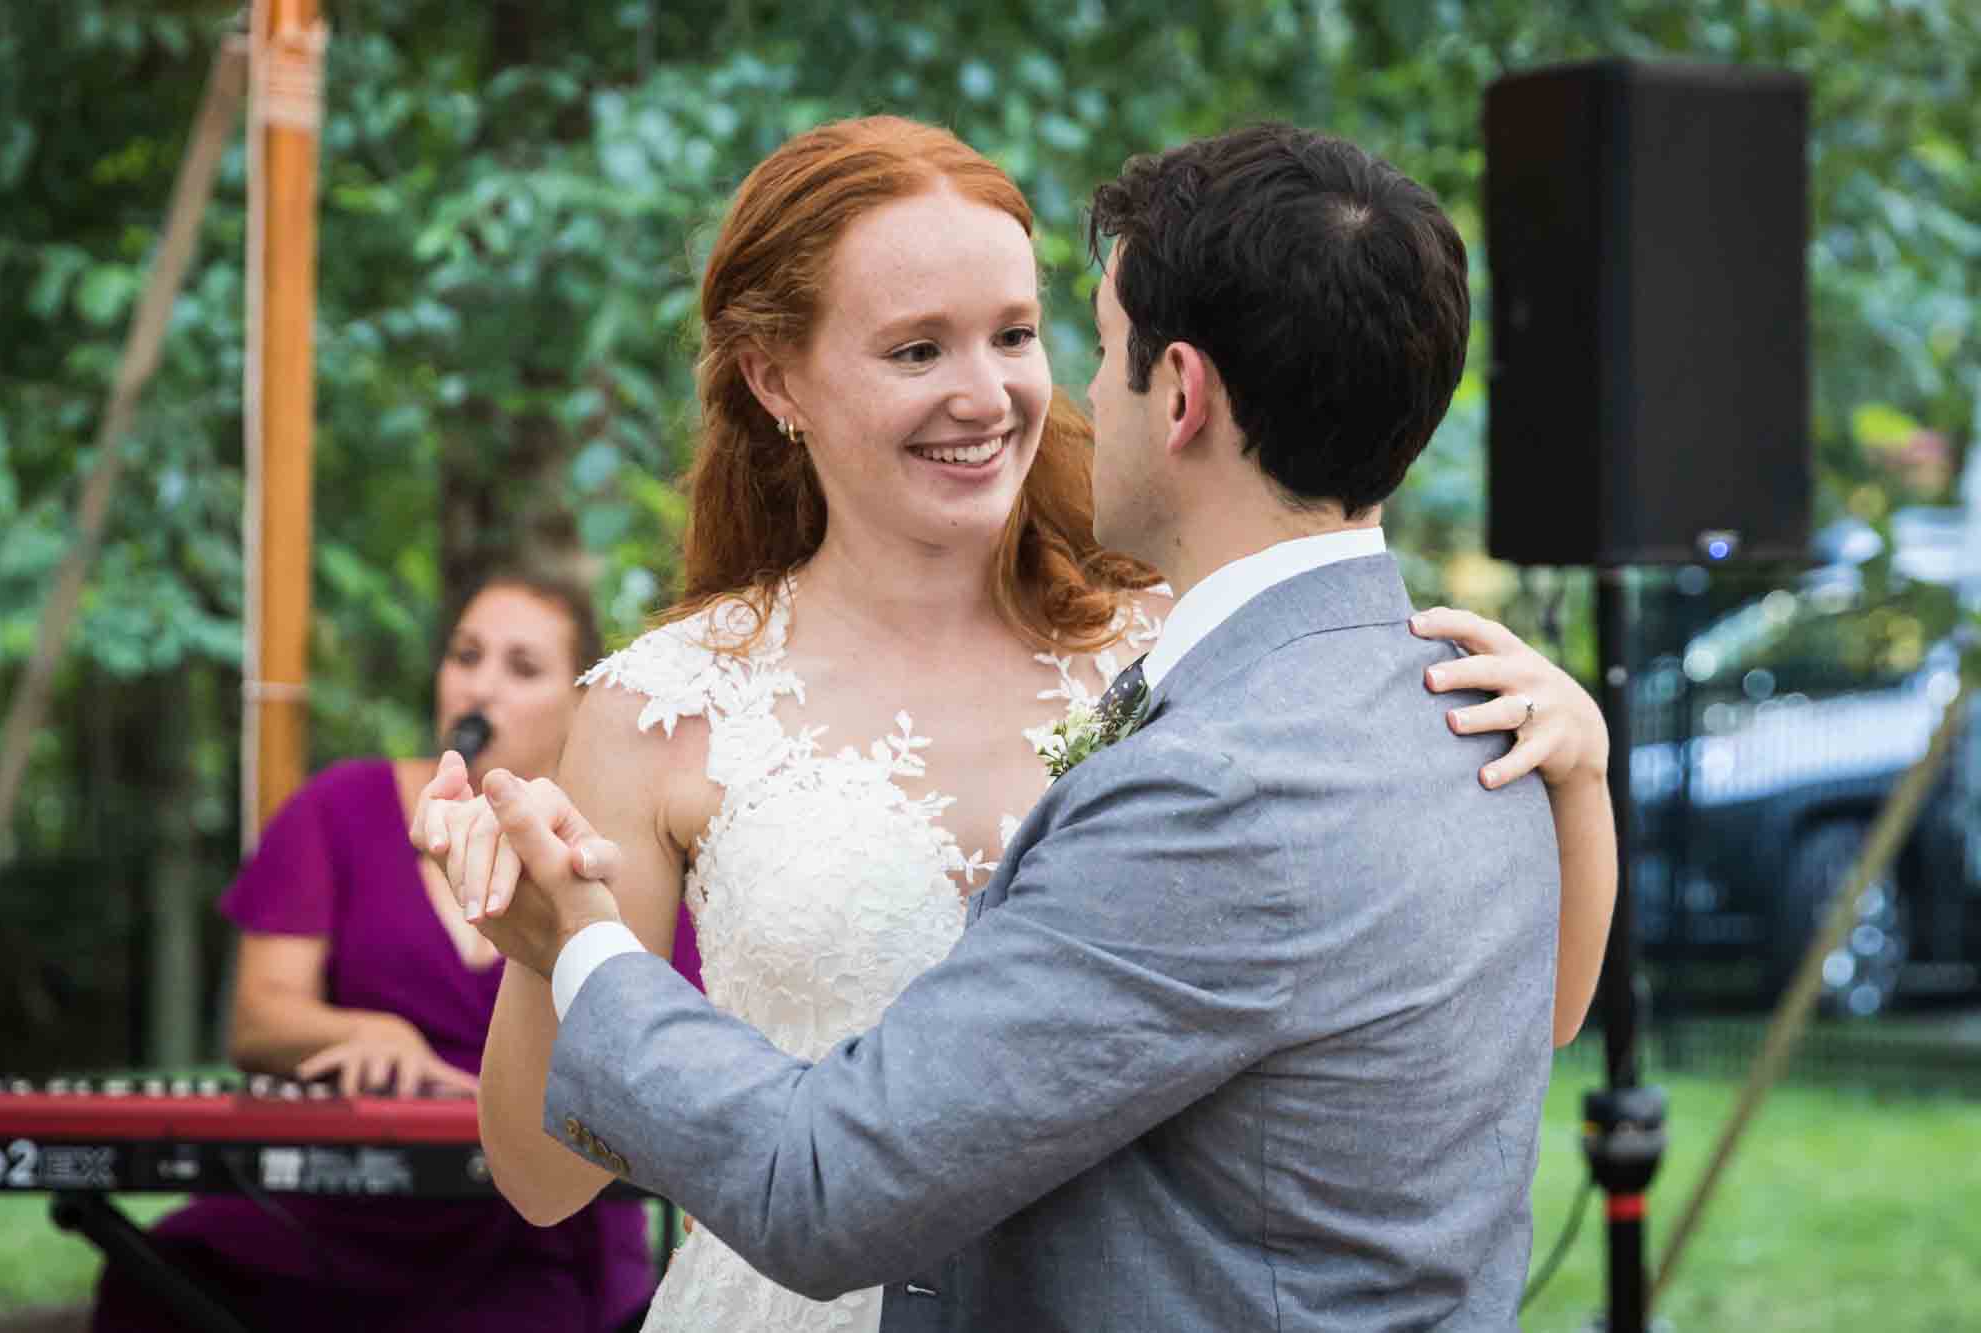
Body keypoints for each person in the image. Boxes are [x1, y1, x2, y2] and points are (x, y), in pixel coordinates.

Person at [418, 117, 1616, 1332]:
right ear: (777, 379)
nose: (983, 394)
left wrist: (1575, 779)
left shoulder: (1202, 663)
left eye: (1017, 335)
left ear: (1173, 387)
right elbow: (543, 1176)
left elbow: (1501, 1016)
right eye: (915, 348)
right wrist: (544, 938)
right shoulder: (663, 705)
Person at [89, 570, 702, 1333]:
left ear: (582, 702)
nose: (481, 686)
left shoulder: (614, 852)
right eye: (466, 655)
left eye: (522, 668)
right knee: (158, 1281)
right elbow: (258, 1018)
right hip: (337, 1214)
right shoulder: (338, 808)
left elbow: (670, 1042)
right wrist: (360, 1033)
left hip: (534, 1229)